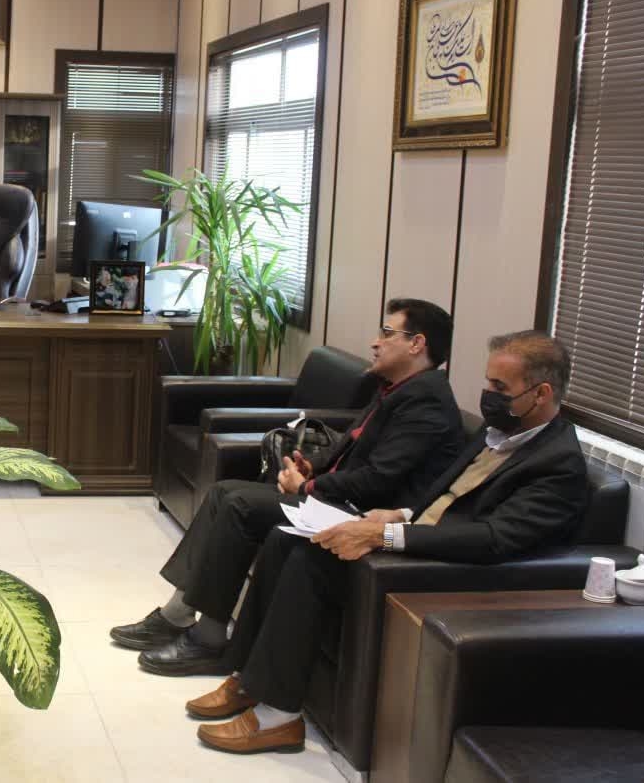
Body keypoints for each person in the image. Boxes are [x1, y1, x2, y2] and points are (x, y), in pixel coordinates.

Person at [189, 331, 588, 755]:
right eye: (488, 382)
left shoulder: (557, 465)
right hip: (415, 538)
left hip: (449, 571)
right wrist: (400, 514)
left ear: (541, 393)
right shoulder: (496, 432)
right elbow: (442, 496)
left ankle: (278, 719)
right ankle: (249, 680)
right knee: (285, 538)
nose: (487, 395)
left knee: (310, 557)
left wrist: (387, 535)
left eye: (499, 387)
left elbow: (493, 537)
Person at [110, 298, 465, 676]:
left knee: (239, 505)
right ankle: (176, 615)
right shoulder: (397, 389)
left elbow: (379, 479)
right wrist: (313, 465)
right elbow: (353, 446)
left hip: (366, 518)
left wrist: (308, 485)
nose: (375, 342)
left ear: (416, 344)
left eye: (387, 332)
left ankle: (208, 640)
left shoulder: (426, 403)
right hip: (340, 498)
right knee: (223, 492)